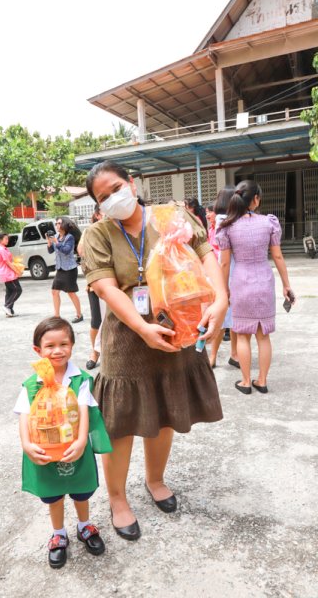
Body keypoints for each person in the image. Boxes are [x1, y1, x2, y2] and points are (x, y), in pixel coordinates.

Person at [82, 160, 227, 541]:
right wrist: (142, 327)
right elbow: (106, 288)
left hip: (178, 329)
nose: (114, 198)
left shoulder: (170, 215)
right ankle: (117, 499)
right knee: (121, 423)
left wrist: (222, 298)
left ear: (132, 182)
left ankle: (155, 480)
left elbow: (206, 254)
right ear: (97, 205)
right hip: (128, 340)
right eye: (103, 196)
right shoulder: (98, 235)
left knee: (163, 410)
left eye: (116, 187)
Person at [14, 316, 111, 569]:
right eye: (50, 346)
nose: (57, 351)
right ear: (38, 350)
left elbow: (84, 410)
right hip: (45, 452)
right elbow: (24, 416)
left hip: (74, 448)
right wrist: (26, 444)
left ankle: (83, 526)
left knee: (81, 491)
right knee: (53, 495)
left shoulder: (79, 380)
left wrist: (81, 442)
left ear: (72, 345)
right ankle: (59, 532)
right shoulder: (31, 384)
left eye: (64, 344)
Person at [216, 180, 295, 394]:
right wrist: (286, 285)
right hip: (264, 280)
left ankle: (245, 381)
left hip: (241, 281)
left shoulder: (228, 227)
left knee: (242, 334)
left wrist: (223, 290)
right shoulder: (269, 222)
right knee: (263, 336)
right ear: (256, 200)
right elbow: (277, 255)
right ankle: (262, 380)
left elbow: (223, 263)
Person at [208, 187, 239, 369]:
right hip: (225, 273)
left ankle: (230, 354)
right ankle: (215, 355)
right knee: (223, 316)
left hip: (224, 272)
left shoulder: (223, 221)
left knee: (229, 317)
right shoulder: (224, 220)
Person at [77, 206, 104, 370]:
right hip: (97, 284)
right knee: (96, 321)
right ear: (97, 214)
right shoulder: (90, 231)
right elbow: (81, 251)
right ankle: (95, 352)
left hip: (122, 286)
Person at [47, 217, 83, 324]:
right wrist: (49, 242)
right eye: (56, 223)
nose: (56, 225)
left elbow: (66, 250)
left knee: (71, 293)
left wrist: (56, 242)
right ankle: (57, 316)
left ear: (64, 225)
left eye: (58, 223)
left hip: (70, 269)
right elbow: (50, 250)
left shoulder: (69, 237)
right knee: (54, 292)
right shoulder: (57, 236)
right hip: (60, 268)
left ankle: (79, 315)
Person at [0, 233, 22, 317]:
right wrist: (17, 271)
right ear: (0, 240)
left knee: (10, 292)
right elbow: (8, 263)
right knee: (18, 290)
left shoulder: (3, 248)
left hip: (6, 273)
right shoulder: (1, 249)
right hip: (8, 273)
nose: (7, 240)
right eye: (6, 239)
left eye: (7, 239)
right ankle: (7, 306)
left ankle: (9, 311)